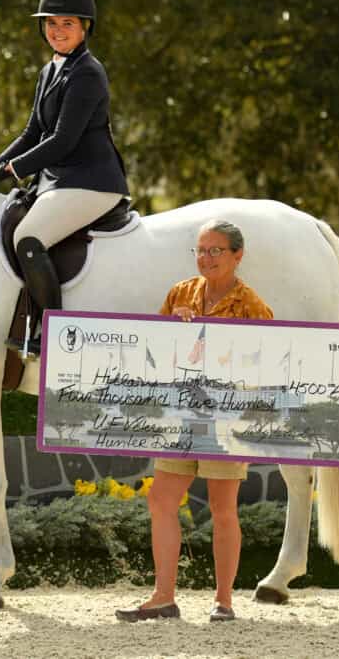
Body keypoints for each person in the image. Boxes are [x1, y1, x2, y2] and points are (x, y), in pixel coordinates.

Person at [115, 219, 273, 624]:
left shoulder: (252, 305)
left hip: (225, 418)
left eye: (215, 250)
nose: (206, 258)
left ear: (238, 255)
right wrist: (172, 329)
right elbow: (157, 354)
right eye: (201, 250)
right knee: (161, 498)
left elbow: (267, 363)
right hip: (179, 415)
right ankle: (163, 597)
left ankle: (224, 602)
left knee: (222, 507)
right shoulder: (180, 293)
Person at [0, 0, 128, 355]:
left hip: (92, 181)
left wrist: (10, 171)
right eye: (51, 23)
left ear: (85, 26)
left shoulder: (88, 73)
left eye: (67, 24)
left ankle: (52, 333)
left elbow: (62, 141)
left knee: (29, 238)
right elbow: (32, 132)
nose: (57, 31)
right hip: (60, 180)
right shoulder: (50, 70)